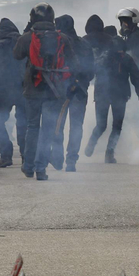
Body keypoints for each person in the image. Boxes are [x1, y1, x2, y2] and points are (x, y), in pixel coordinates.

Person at [13, 3, 79, 180]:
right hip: (55, 91)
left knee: (32, 127)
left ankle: (28, 166)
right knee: (48, 130)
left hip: (32, 89)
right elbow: (74, 63)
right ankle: (41, 170)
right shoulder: (63, 38)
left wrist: (27, 30)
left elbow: (16, 54)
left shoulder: (27, 38)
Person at [85, 35, 139, 163]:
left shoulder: (102, 58)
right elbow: (137, 79)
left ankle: (92, 145)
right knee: (116, 127)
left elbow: (90, 74)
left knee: (102, 125)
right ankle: (109, 153)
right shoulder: (126, 59)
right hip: (118, 96)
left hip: (104, 96)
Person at [55, 14, 93, 172]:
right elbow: (92, 70)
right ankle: (71, 160)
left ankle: (58, 158)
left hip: (61, 91)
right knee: (76, 126)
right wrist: (82, 81)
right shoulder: (84, 43)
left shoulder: (58, 43)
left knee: (58, 125)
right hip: (80, 90)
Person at [0, 18, 27, 168]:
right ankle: (26, 156)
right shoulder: (24, 42)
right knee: (23, 123)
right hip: (24, 89)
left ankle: (6, 156)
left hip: (5, 90)